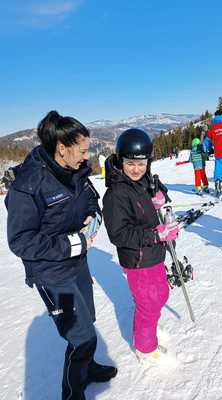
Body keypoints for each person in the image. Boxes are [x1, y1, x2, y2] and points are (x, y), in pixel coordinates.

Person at [5, 111, 117, 400]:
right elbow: (21, 241)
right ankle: (72, 394)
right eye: (81, 150)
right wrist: (72, 244)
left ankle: (87, 369)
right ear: (62, 148)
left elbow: (91, 198)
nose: (86, 156)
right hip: (53, 275)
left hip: (77, 266)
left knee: (87, 319)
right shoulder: (27, 185)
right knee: (80, 337)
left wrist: (93, 216)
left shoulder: (76, 171)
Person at [102, 128, 178, 364]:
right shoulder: (115, 195)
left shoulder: (146, 180)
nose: (136, 169)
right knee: (148, 301)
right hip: (138, 258)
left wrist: (161, 197)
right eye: (130, 163)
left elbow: (160, 194)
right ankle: (145, 347)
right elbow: (119, 234)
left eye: (141, 163)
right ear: (120, 161)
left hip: (155, 254)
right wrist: (155, 235)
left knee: (161, 293)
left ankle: (150, 325)